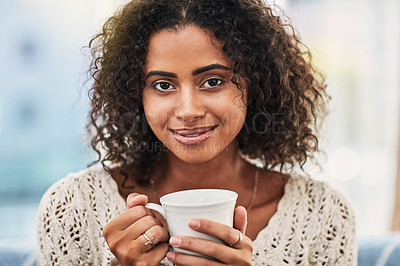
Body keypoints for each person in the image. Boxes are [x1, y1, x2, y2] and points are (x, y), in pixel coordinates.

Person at [37, 0, 357, 265]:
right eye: (163, 85)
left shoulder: (323, 215)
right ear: (137, 95)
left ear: (256, 83)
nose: (188, 110)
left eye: (213, 81)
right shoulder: (73, 208)